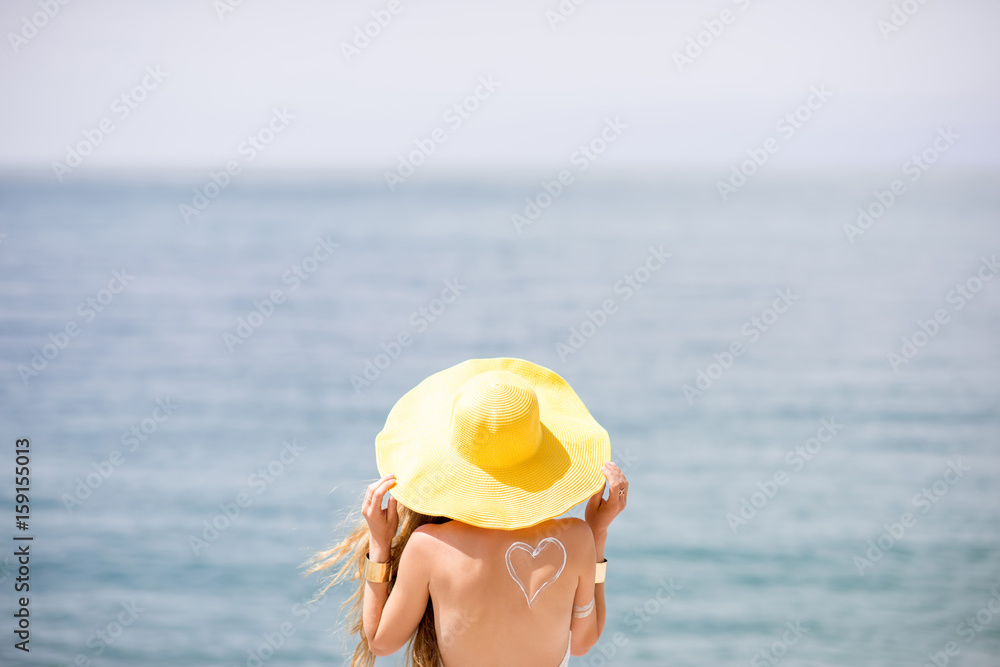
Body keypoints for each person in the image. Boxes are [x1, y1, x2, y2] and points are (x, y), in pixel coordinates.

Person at [306, 358, 628, 666]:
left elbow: (380, 642)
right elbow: (584, 643)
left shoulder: (429, 547)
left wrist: (380, 544)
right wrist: (597, 532)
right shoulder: (574, 539)